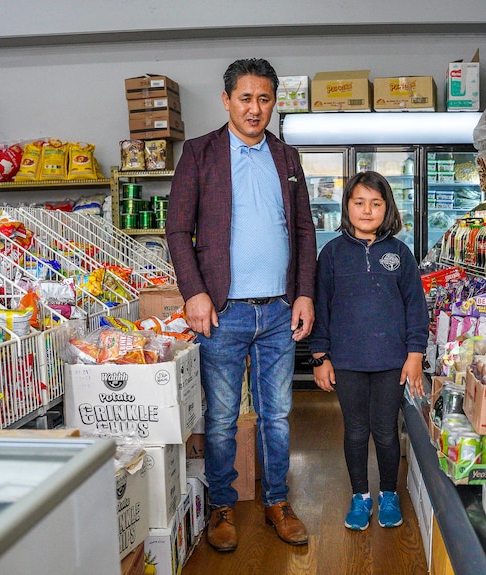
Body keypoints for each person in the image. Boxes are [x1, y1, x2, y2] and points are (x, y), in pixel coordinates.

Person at [166, 58, 317, 552]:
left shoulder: (287, 157)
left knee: (277, 416)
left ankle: (277, 500)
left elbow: (303, 231)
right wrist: (194, 292)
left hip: (278, 310)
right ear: (227, 99)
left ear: (275, 101)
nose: (255, 108)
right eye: (246, 98)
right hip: (222, 312)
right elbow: (176, 229)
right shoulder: (200, 153)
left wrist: (305, 294)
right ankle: (222, 506)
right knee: (222, 416)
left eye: (265, 99)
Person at [308, 170, 428, 531]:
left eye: (376, 203)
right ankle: (360, 496)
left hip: (392, 361)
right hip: (347, 362)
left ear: (387, 208)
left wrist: (415, 354)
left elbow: (415, 306)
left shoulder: (399, 253)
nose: (367, 210)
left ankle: (387, 493)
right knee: (356, 431)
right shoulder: (331, 254)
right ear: (347, 207)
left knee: (387, 431)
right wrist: (320, 357)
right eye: (359, 202)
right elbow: (321, 307)